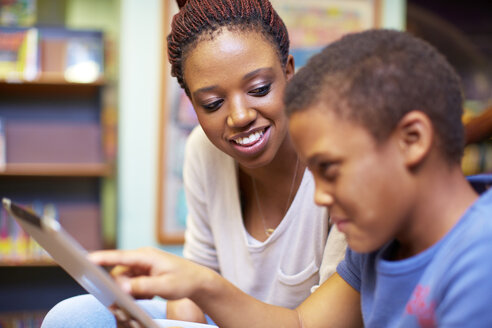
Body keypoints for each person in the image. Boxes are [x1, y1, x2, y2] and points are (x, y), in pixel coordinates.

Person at [87, 28, 492, 328]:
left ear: (413, 140)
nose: (318, 197)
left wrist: (201, 285)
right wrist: (196, 284)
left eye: (330, 170)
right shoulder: (371, 251)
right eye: (212, 102)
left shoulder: (478, 256)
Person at [41, 0, 346, 326]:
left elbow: (324, 321)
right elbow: (196, 282)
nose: (240, 116)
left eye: (259, 89)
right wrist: (184, 300)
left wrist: (197, 284)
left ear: (289, 71)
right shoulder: (203, 149)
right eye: (213, 104)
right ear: (193, 105)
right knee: (74, 316)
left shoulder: (341, 160)